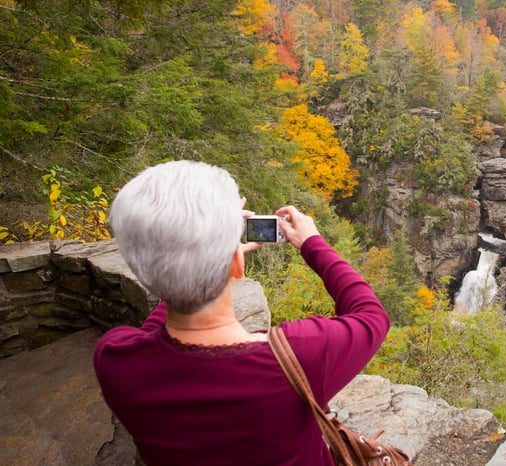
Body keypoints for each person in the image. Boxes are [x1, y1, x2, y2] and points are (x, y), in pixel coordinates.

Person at [93, 160, 390, 465]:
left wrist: (203, 254)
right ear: (237, 265)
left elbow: (153, 326)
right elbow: (371, 315)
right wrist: (312, 243)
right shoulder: (298, 357)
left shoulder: (115, 360)